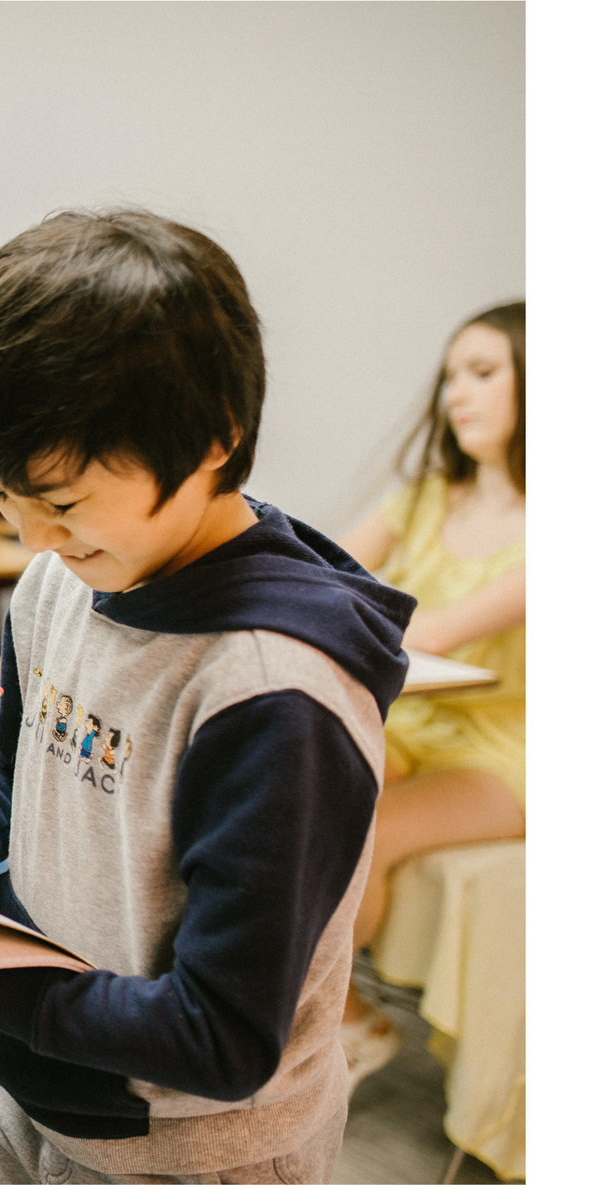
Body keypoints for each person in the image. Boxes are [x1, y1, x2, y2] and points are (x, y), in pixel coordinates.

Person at [0, 209, 415, 1183]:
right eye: (2, 497)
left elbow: (225, 1040)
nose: (30, 539)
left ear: (213, 440)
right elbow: (23, 773)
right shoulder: (62, 580)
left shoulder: (274, 696)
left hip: (189, 1149)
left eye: (60, 504)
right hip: (36, 1087)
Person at [334, 302, 525, 1091]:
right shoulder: (421, 498)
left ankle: (331, 1024)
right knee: (292, 794)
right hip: (415, 724)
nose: (458, 395)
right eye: (451, 376)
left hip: (509, 748)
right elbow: (320, 579)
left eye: (483, 374)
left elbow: (435, 633)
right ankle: (325, 1016)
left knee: (362, 830)